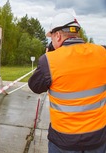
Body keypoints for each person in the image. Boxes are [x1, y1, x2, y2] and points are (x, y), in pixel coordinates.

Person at [28, 13, 106, 153]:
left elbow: (35, 86)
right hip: (98, 138)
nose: (51, 42)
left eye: (51, 38)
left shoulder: (50, 60)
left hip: (64, 141)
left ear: (57, 36)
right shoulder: (102, 52)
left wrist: (48, 56)